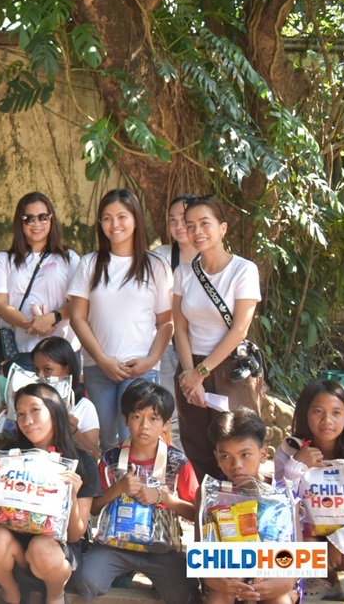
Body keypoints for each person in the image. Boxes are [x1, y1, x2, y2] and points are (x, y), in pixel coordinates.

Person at [68, 189, 173, 450]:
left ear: (136, 219)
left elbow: (166, 323)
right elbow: (78, 318)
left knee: (138, 441)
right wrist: (102, 360)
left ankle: (135, 491)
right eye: (107, 218)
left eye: (122, 217)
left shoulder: (156, 265)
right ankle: (106, 490)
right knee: (102, 442)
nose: (114, 225)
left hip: (141, 368)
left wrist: (149, 361)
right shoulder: (89, 263)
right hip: (98, 367)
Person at [0, 382, 100, 604]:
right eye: (21, 414)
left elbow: (73, 536)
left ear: (55, 410)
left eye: (35, 410)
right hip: (15, 555)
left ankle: (55, 595)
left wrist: (70, 496)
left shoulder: (81, 462)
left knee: (42, 545)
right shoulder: (9, 456)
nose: (27, 420)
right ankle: (12, 592)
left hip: (56, 557)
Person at [76, 381, 199, 604]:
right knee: (86, 582)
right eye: (137, 417)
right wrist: (118, 489)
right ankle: (121, 571)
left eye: (153, 419)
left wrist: (163, 498)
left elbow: (196, 513)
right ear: (125, 419)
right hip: (114, 546)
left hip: (160, 550)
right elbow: (93, 508)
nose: (144, 426)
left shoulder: (177, 463)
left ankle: (150, 576)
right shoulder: (110, 459)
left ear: (165, 424)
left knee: (184, 596)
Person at [173, 196, 263, 479]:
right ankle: (210, 516)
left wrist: (201, 372)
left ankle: (246, 516)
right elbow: (180, 325)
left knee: (239, 449)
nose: (196, 231)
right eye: (190, 226)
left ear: (222, 228)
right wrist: (189, 373)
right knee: (199, 449)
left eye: (204, 223)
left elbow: (240, 330)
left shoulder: (243, 270)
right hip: (190, 368)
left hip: (229, 369)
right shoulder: (184, 272)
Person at [274, 379, 344, 601]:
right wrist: (296, 467)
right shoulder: (288, 451)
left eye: (336, 413)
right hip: (310, 534)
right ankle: (325, 580)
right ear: (305, 413)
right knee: (303, 546)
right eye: (317, 411)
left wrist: (340, 540)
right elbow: (278, 504)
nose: (327, 421)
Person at [201, 408, 298, 604]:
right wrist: (223, 583)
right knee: (219, 598)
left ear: (263, 454)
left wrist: (283, 583)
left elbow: (299, 555)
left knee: (280, 600)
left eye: (245, 454)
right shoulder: (210, 493)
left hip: (274, 577)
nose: (236, 464)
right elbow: (202, 559)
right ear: (217, 457)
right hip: (226, 579)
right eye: (225, 456)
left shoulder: (282, 494)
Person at [0, 192, 80, 368]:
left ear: (51, 219)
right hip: (20, 352)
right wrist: (32, 325)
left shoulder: (69, 258)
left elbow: (78, 303)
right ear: (19, 222)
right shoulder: (3, 259)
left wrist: (53, 317)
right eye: (29, 218)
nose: (36, 224)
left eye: (43, 217)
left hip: (62, 350)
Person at [152, 194, 197, 400]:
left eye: (184, 219)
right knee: (171, 404)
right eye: (172, 220)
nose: (178, 225)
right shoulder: (160, 256)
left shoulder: (211, 257)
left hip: (203, 344)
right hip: (169, 345)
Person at [31, 336, 100, 458]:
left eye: (47, 369)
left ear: (66, 369)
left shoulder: (83, 406)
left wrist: (73, 431)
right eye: (36, 369)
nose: (40, 376)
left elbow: (94, 456)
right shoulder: (28, 404)